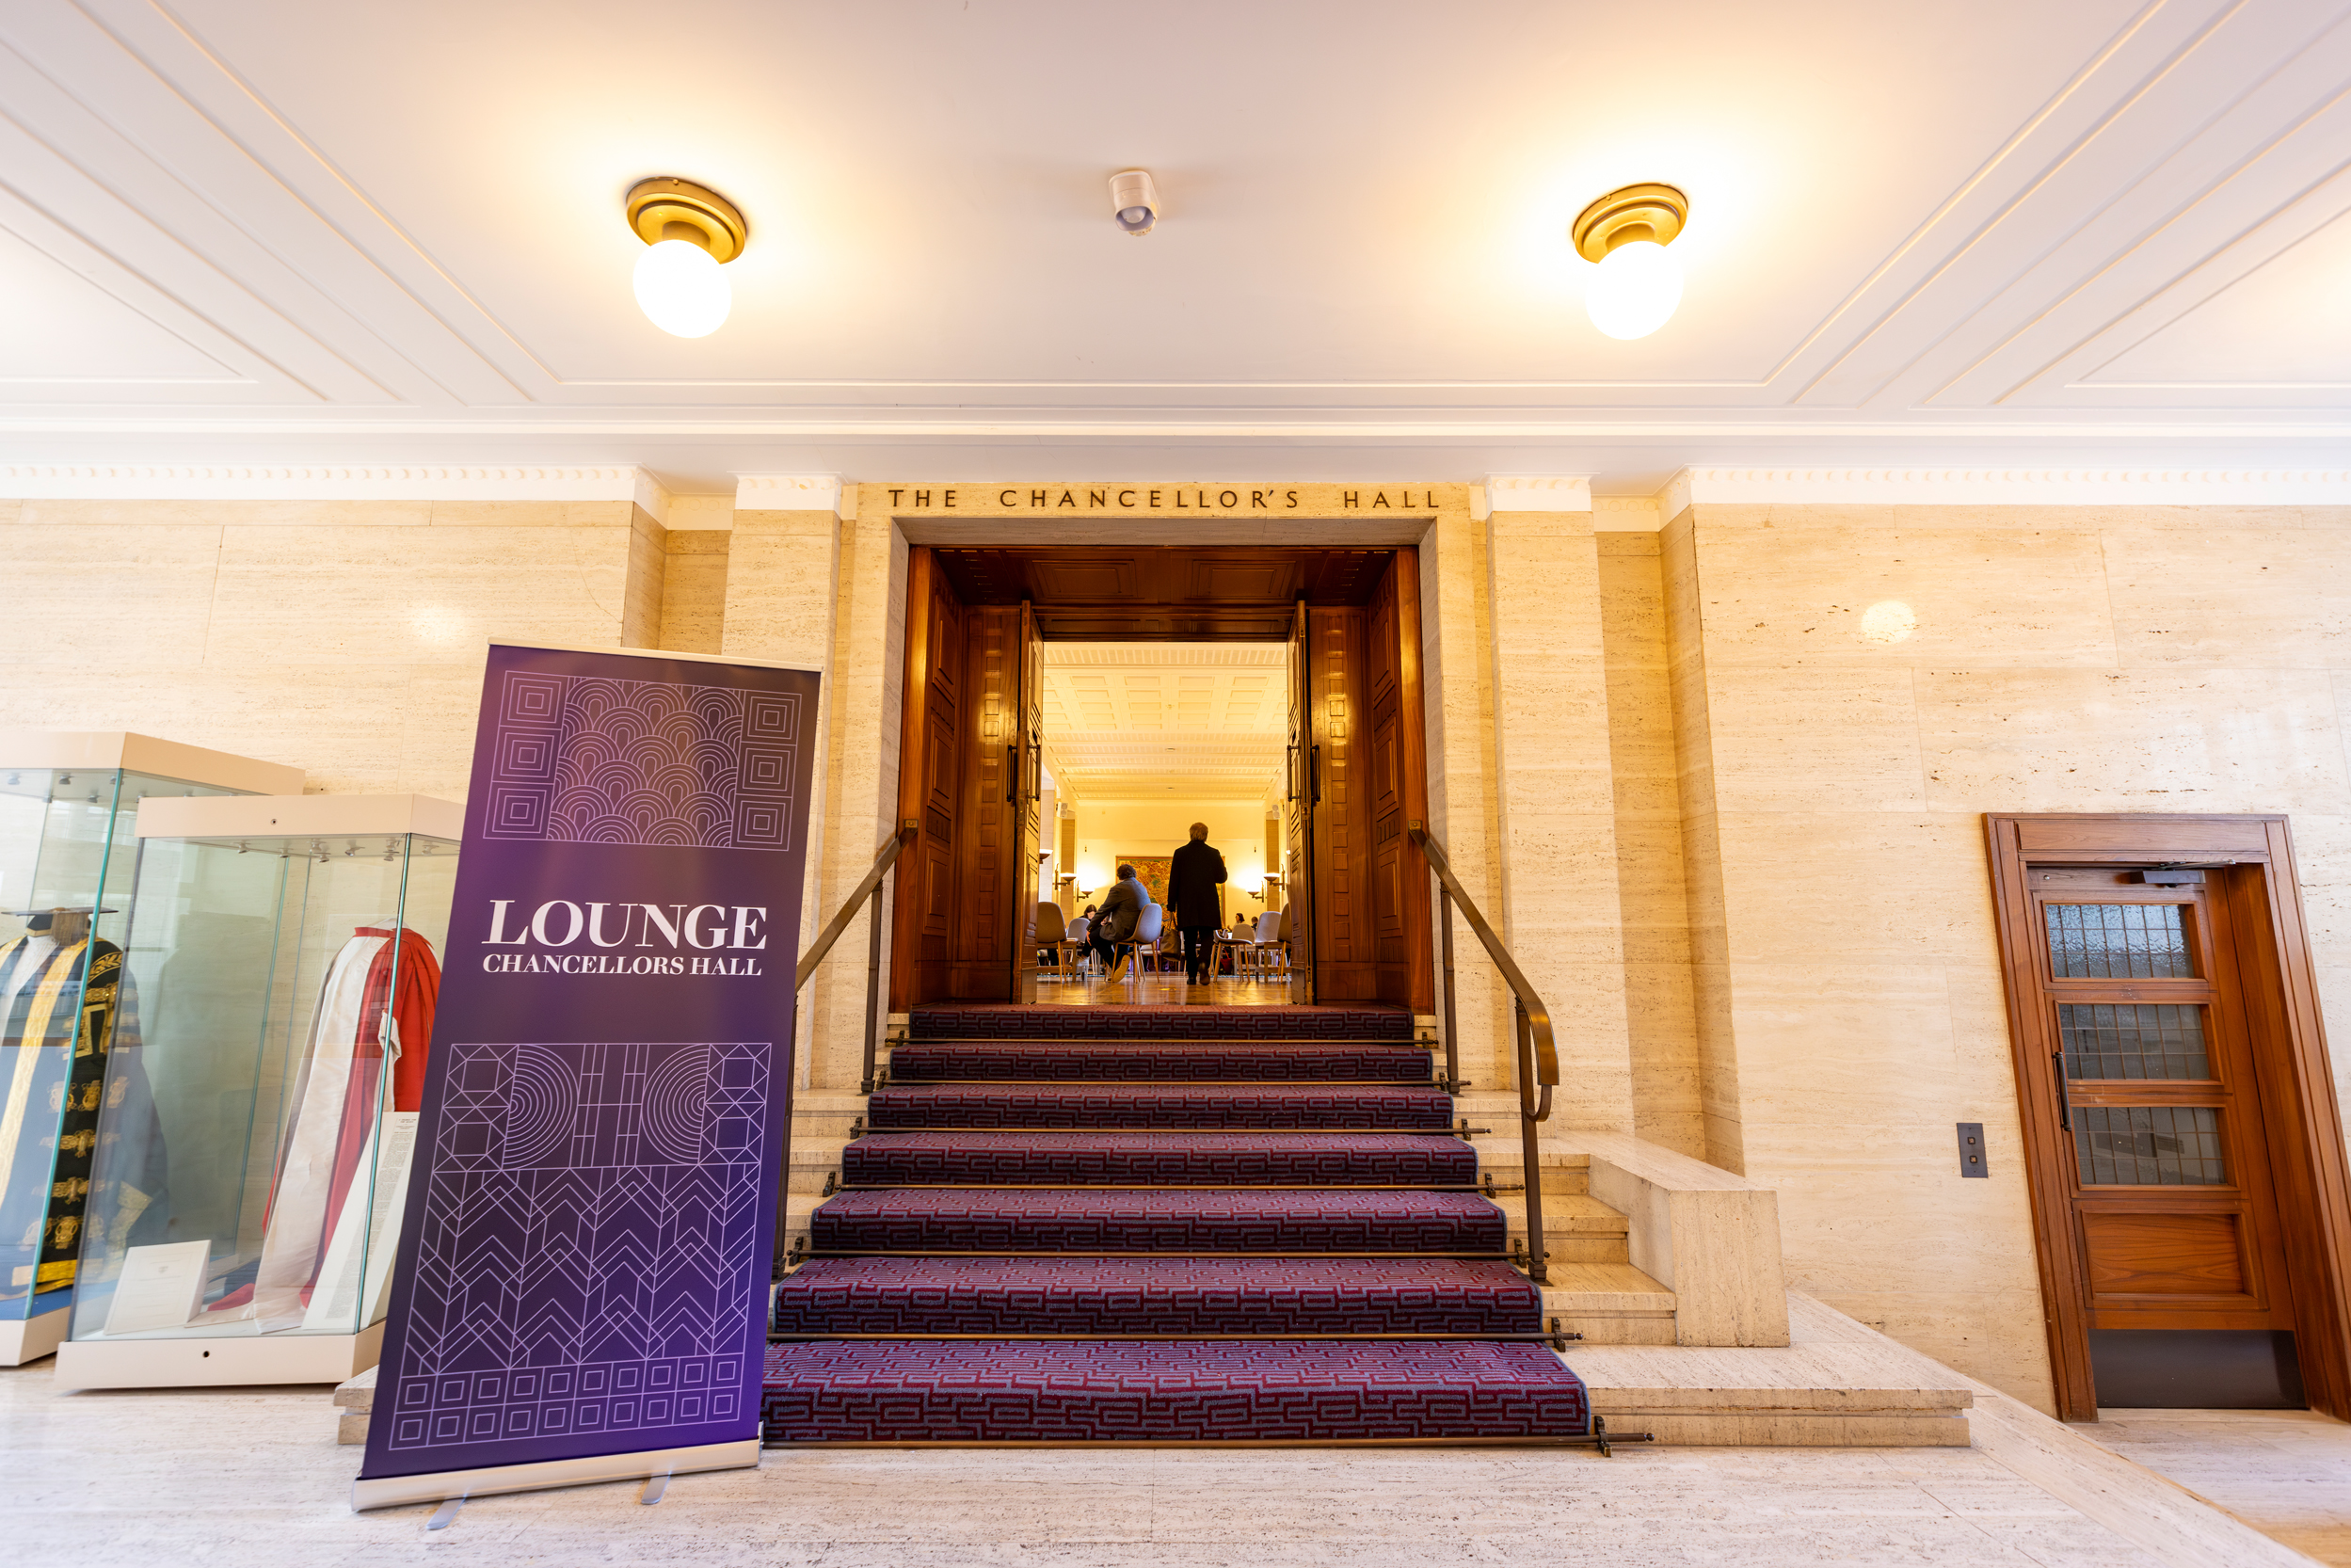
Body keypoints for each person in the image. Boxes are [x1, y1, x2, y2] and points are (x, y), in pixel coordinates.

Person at [1168, 823, 1227, 986]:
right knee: (1208, 936)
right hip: (1208, 902)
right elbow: (1221, 878)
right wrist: (1224, 869)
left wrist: (1171, 906)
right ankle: (1203, 962)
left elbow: (1174, 881)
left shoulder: (1180, 853)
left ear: (1190, 834)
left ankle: (1192, 976)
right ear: (1206, 835)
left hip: (1186, 903)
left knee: (1189, 940)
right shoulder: (1213, 853)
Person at [1088, 866, 1147, 981]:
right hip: (1142, 931)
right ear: (1134, 874)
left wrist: (1090, 928)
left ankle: (1116, 967)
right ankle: (1118, 969)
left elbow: (1103, 909)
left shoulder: (1119, 888)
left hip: (1126, 931)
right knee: (1119, 938)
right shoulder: (1142, 887)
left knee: (1094, 936)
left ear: (1119, 875)